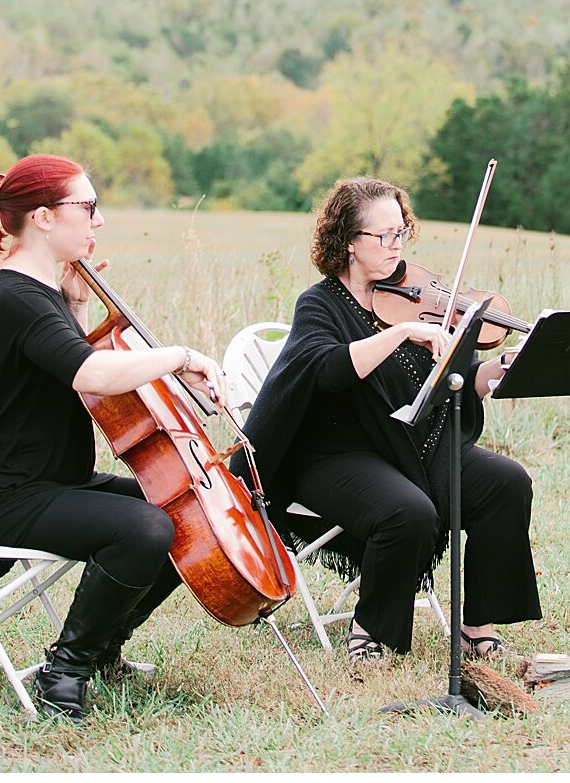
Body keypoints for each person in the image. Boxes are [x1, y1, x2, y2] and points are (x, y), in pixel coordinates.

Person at [0, 154, 227, 719]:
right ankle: (66, 669)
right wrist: (177, 356)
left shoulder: (41, 295)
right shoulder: (13, 296)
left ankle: (103, 647)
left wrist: (76, 310)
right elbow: (91, 374)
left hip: (55, 484)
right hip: (6, 495)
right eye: (88, 206)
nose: (98, 220)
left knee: (187, 514)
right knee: (145, 528)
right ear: (45, 217)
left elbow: (63, 374)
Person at [231, 176, 542, 661]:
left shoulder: (414, 298)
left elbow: (449, 381)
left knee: (507, 482)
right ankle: (372, 630)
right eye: (384, 236)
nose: (397, 245)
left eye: (401, 232)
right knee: (407, 511)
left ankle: (475, 623)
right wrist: (401, 335)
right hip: (333, 455)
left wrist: (494, 372)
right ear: (348, 244)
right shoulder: (321, 303)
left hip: (409, 447)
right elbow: (328, 370)